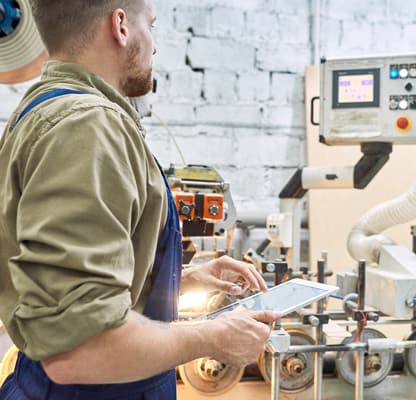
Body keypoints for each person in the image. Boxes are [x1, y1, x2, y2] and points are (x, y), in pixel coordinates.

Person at [0, 0, 279, 398]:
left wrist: (174, 283)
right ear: (120, 26)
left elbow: (72, 290)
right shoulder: (86, 126)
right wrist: (213, 336)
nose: (155, 45)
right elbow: (80, 351)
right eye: (151, 24)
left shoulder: (45, 108)